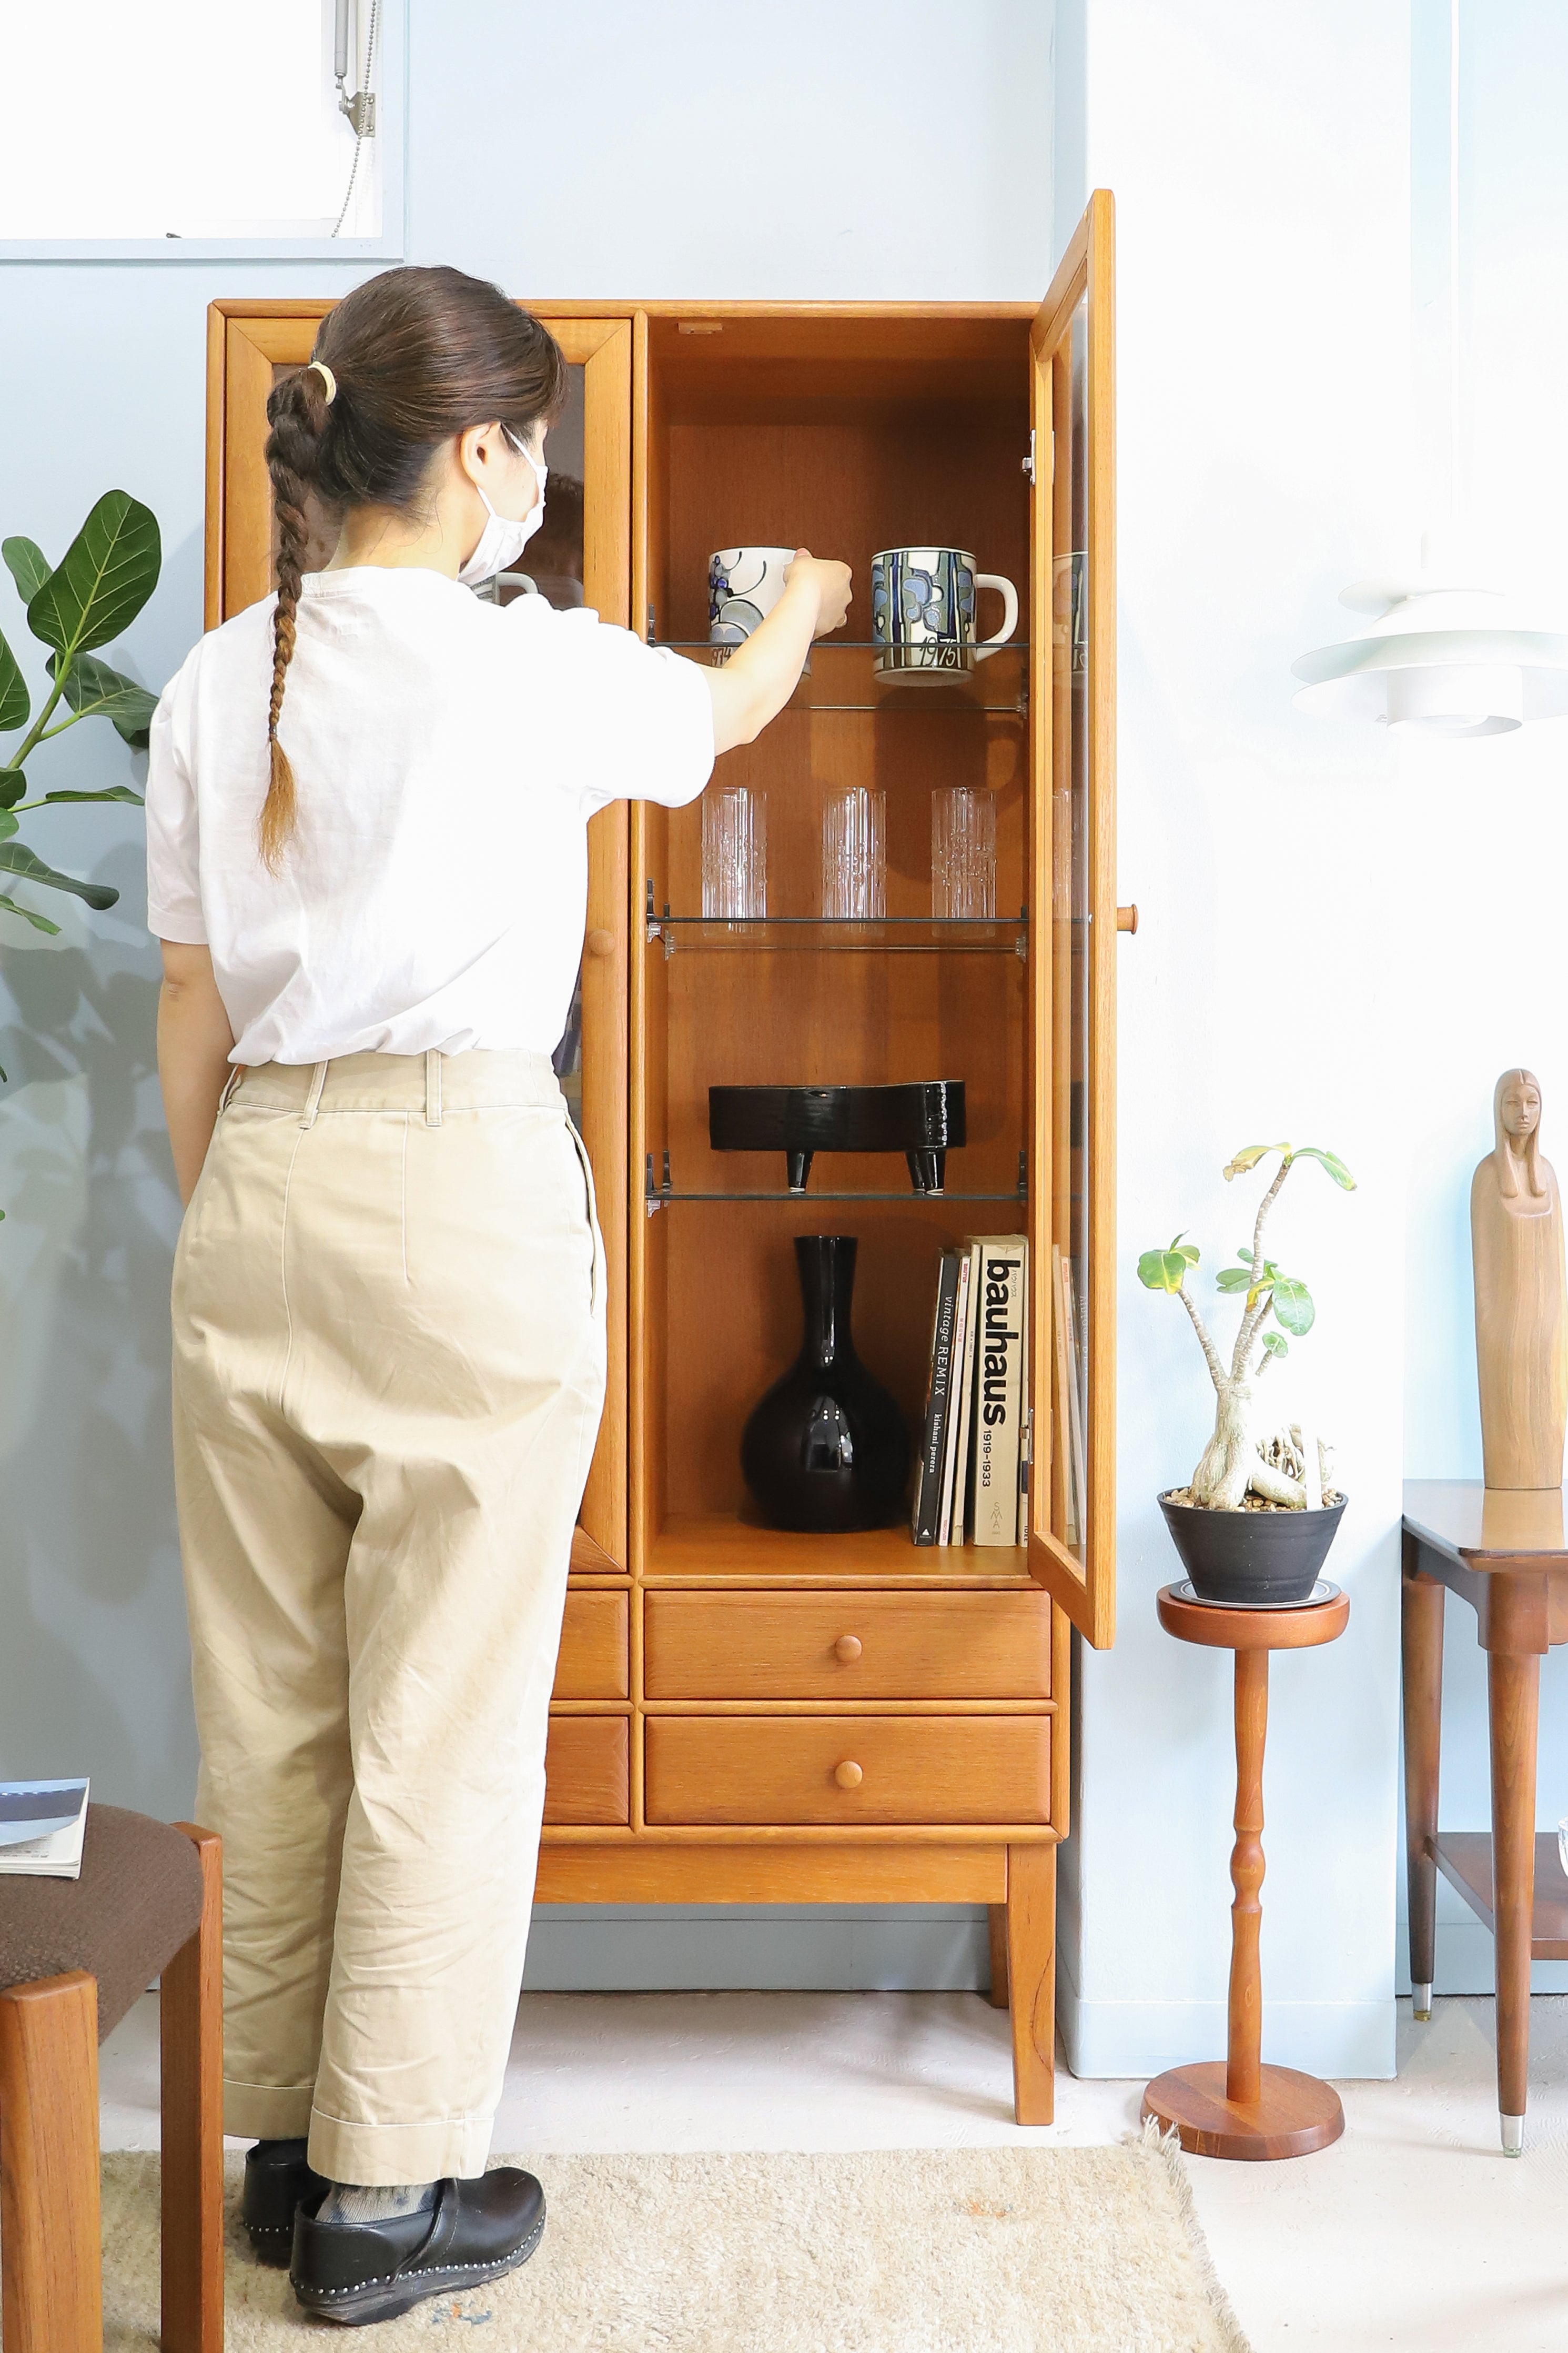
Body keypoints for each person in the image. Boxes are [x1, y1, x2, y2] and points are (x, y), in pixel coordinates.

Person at [149, 263, 850, 2326]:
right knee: (439, 1722)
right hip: (458, 1189)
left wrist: (229, 1219)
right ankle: (387, 2197)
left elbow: (184, 1003)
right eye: (525, 445)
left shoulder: (217, 680)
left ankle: (282, 2156)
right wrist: (802, 595)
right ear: (476, 453)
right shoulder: (517, 664)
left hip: (253, 1185)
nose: (529, 480)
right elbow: (723, 715)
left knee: (273, 1716)